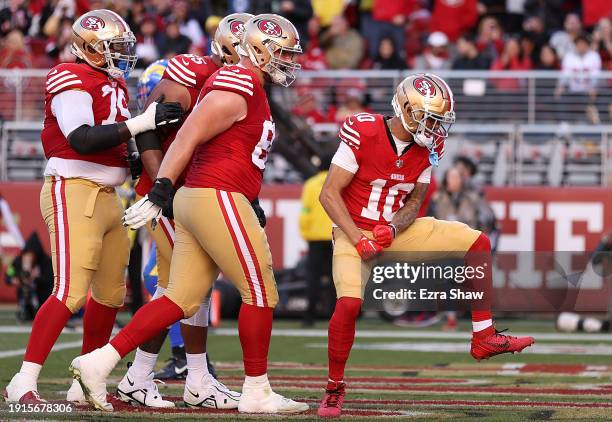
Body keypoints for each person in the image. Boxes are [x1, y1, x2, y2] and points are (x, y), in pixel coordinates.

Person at [69, 14, 309, 415]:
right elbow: (191, 130)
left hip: (208, 195)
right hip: (214, 194)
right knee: (260, 291)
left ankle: (99, 362)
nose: (288, 60)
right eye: (282, 52)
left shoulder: (250, 85)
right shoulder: (240, 81)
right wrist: (162, 184)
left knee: (180, 297)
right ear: (259, 50)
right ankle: (257, 391)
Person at [317, 74, 535, 417]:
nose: (435, 128)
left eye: (439, 121)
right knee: (348, 305)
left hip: (395, 230)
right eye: (431, 118)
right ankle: (334, 387)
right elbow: (328, 194)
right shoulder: (363, 130)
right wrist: (359, 237)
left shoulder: (430, 146)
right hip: (352, 229)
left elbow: (416, 201)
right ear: (407, 109)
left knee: (477, 241)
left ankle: (484, 336)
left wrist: (393, 226)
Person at [4, 9, 183, 404]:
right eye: (114, 47)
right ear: (90, 48)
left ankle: (84, 382)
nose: (121, 54)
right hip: (73, 189)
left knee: (109, 295)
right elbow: (82, 139)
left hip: (109, 195)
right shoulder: (70, 76)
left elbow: (116, 146)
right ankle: (24, 380)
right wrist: (141, 123)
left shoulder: (111, 83)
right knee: (70, 290)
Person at [116, 14, 254, 410]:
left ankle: (155, 376)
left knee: (181, 287)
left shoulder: (245, 85)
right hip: (171, 194)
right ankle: (179, 375)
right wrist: (164, 188)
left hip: (195, 193)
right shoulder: (191, 71)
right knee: (185, 287)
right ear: (234, 50)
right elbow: (145, 126)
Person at [299, 155, 334, 327]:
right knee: (336, 279)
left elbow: (305, 213)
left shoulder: (311, 184)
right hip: (336, 236)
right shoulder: (339, 183)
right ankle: (335, 316)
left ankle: (309, 317)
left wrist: (306, 233)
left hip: (315, 239)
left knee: (313, 279)